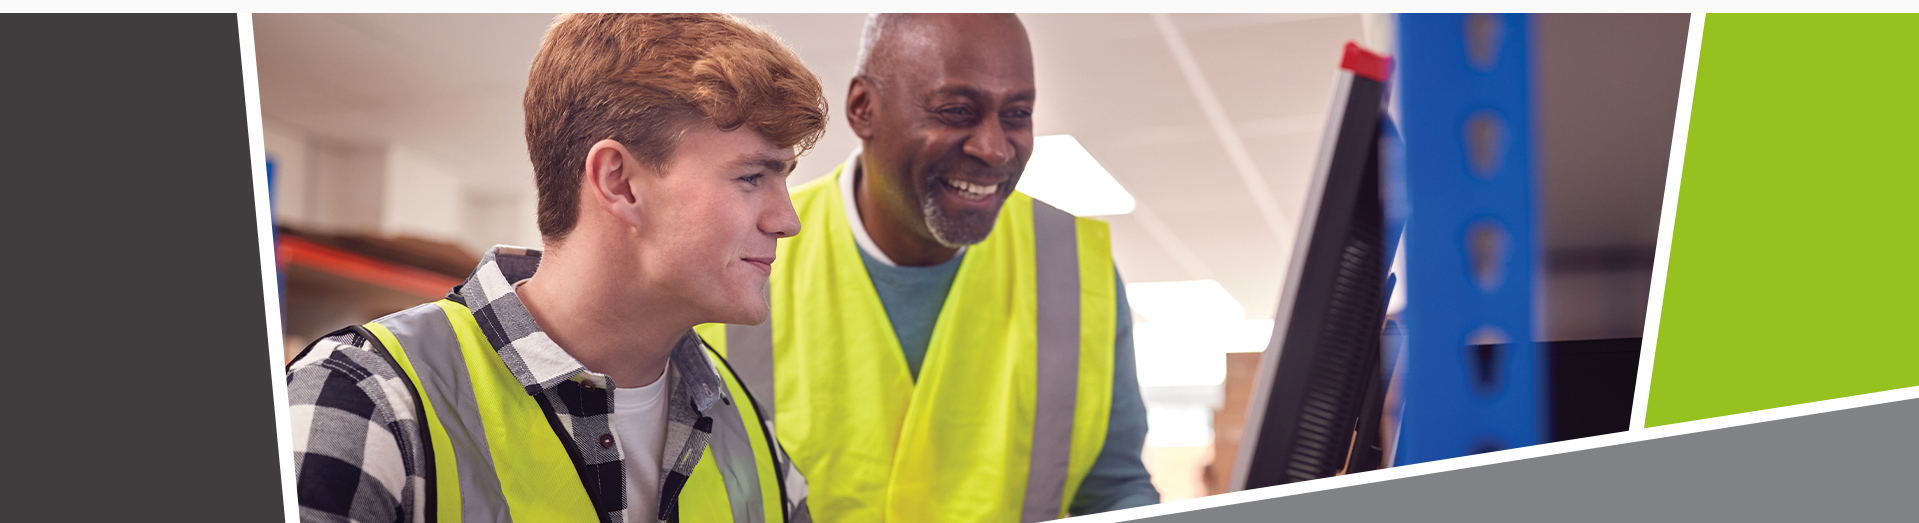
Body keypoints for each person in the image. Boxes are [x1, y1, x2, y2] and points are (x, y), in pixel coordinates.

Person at [287, 13, 826, 523]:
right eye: (753, 177)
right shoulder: (361, 399)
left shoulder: (749, 433)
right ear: (619, 181)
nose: (787, 220)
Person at [696, 13, 1158, 522]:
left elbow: (1114, 489)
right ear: (863, 108)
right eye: (957, 110)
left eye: (1017, 113)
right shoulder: (747, 253)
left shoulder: (1074, 269)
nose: (993, 147)